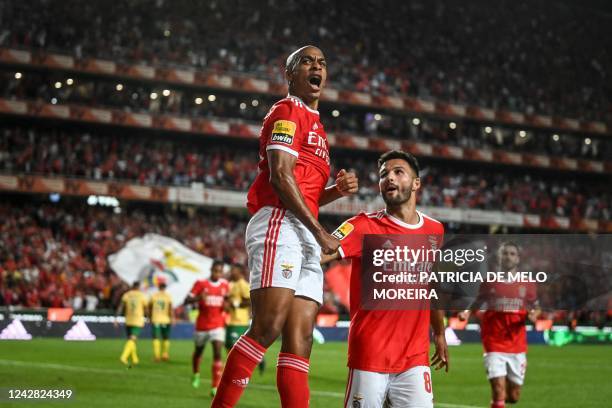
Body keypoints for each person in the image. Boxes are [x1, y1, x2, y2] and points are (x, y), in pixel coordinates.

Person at [212, 45, 358, 408]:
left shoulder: (319, 128)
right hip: (279, 222)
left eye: (322, 62)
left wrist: (334, 193)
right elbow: (279, 177)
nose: (316, 67)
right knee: (267, 326)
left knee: (301, 340)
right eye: (306, 61)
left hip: (302, 229)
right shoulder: (287, 111)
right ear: (289, 73)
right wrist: (321, 231)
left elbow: (304, 192)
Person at [322, 150, 449, 407]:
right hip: (369, 355)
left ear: (416, 183)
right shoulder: (362, 226)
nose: (389, 178)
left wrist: (439, 333)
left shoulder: (435, 230)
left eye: (398, 172)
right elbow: (321, 253)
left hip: (414, 357)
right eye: (383, 175)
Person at [459, 242, 540, 408]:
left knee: (514, 396)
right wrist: (466, 313)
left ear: (518, 258)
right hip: (493, 342)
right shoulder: (489, 282)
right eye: (505, 253)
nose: (508, 256)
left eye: (512, 253)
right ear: (499, 257)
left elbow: (536, 306)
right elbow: (477, 301)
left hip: (517, 344)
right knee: (498, 390)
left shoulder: (527, 283)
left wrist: (534, 314)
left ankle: (502, 401)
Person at [184, 261, 229, 396]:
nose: (217, 274)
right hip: (202, 325)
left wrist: (227, 307)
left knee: (217, 353)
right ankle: (196, 374)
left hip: (218, 325)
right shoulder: (200, 284)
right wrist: (198, 298)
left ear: (222, 272)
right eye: (215, 271)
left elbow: (226, 302)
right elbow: (186, 300)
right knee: (198, 352)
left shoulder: (225, 285)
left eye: (219, 271)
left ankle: (214, 386)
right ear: (211, 270)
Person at [115, 281, 148, 367]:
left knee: (132, 340)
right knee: (132, 340)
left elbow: (121, 307)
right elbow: (146, 308)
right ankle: (123, 357)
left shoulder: (127, 295)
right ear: (138, 287)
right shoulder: (141, 295)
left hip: (128, 320)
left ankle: (135, 359)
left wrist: (116, 318)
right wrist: (147, 317)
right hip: (137, 320)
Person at [150, 277, 174, 362]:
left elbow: (150, 307)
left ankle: (156, 356)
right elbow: (170, 309)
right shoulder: (168, 296)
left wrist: (149, 317)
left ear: (158, 287)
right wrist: (172, 318)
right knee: (166, 338)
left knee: (155, 337)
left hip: (155, 318)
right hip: (165, 319)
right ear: (165, 287)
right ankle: (165, 354)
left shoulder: (154, 296)